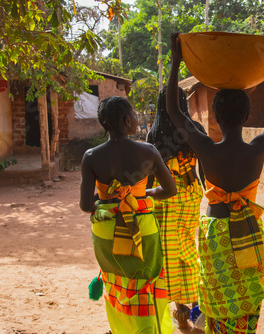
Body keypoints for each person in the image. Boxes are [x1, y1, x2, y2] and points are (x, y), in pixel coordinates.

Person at [166, 32, 264, 334]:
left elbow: (174, 111)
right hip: (247, 229)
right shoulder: (257, 148)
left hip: (215, 235)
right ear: (247, 114)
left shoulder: (206, 148)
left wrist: (175, 62)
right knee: (246, 294)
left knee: (217, 294)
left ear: (214, 115)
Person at [79, 96, 177, 334]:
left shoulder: (91, 156)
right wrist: (141, 194)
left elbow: (85, 205)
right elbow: (170, 190)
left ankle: (121, 328)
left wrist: (106, 199)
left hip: (105, 234)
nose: (135, 119)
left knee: (116, 285)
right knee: (146, 285)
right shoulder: (148, 151)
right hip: (142, 230)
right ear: (127, 120)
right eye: (133, 115)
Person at [146, 86, 206, 329]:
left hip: (165, 198)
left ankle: (180, 311)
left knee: (168, 253)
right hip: (191, 195)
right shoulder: (196, 130)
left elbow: (151, 174)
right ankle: (196, 307)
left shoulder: (155, 134)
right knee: (188, 247)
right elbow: (203, 168)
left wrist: (145, 199)